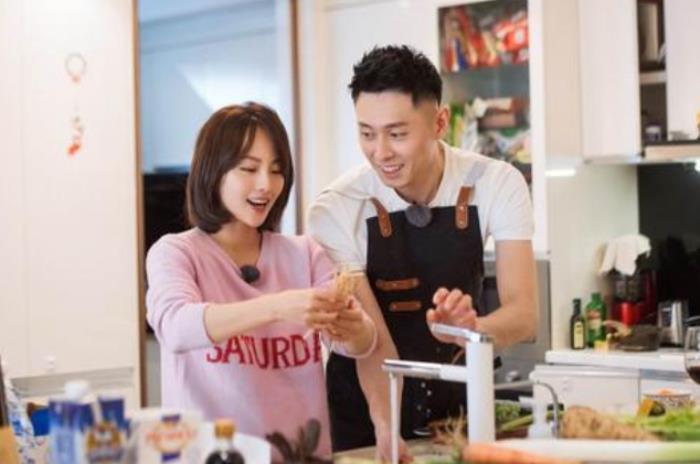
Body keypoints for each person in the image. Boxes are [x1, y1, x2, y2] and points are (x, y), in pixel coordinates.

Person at [307, 45, 537, 460]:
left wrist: (473, 330)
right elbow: (371, 338)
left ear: (440, 122)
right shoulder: (337, 207)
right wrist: (386, 426)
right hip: (367, 416)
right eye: (367, 133)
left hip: (458, 410)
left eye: (397, 134)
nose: (381, 152)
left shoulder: (496, 182)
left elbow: (523, 314)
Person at [146, 102, 377, 459]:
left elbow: (360, 344)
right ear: (213, 172)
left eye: (277, 170)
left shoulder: (306, 253)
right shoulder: (175, 252)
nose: (266, 184)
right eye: (249, 168)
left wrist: (354, 326)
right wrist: (277, 307)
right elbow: (175, 327)